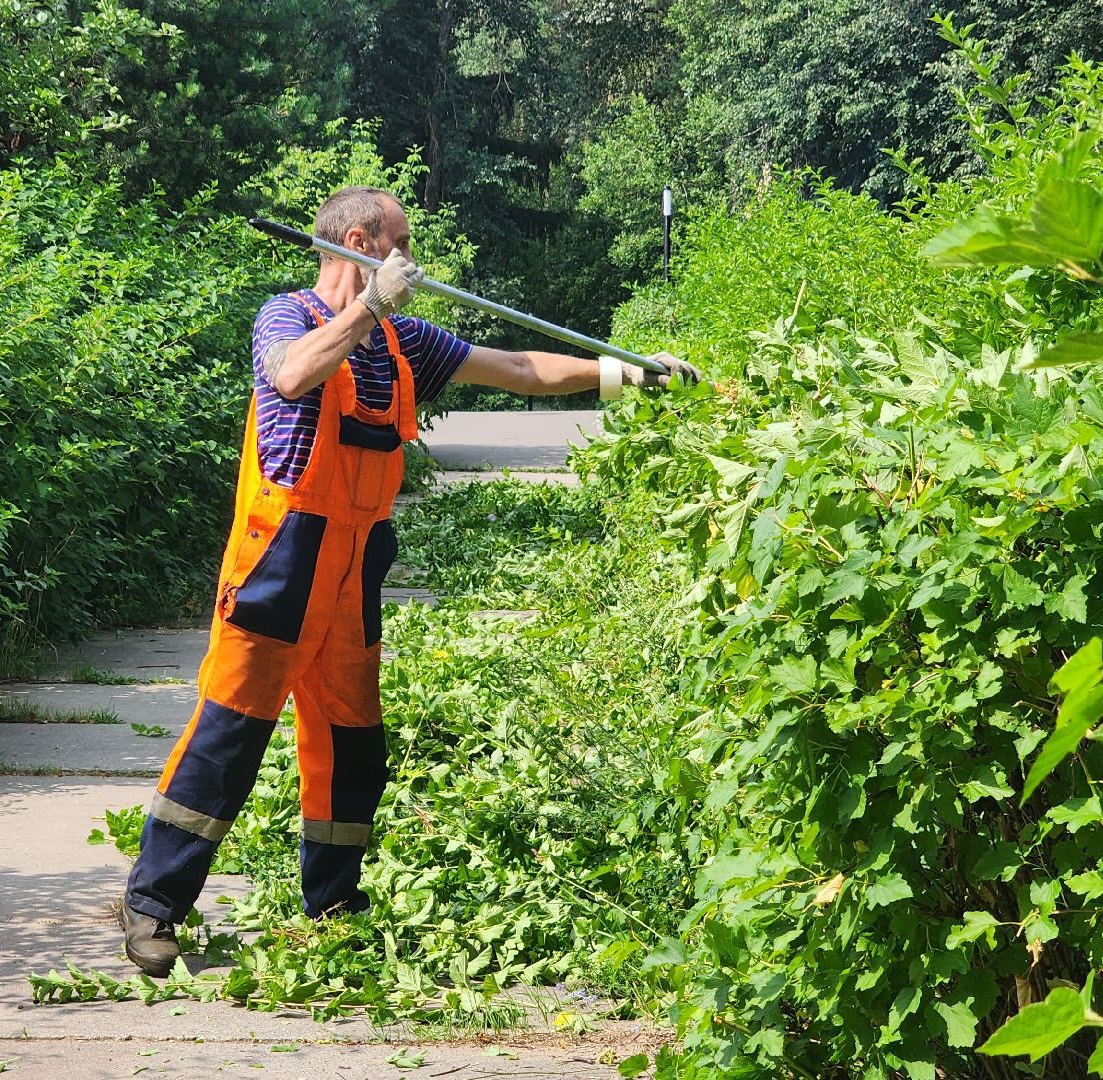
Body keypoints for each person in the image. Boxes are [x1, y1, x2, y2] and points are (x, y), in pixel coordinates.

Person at [115, 185, 698, 976]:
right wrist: (369, 309)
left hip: (354, 574)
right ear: (361, 241)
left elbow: (521, 367)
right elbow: (291, 378)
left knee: (354, 749)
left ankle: (332, 910)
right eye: (401, 243)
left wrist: (625, 373)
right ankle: (152, 906)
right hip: (278, 570)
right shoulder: (289, 317)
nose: (411, 259)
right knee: (228, 742)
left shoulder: (406, 341)